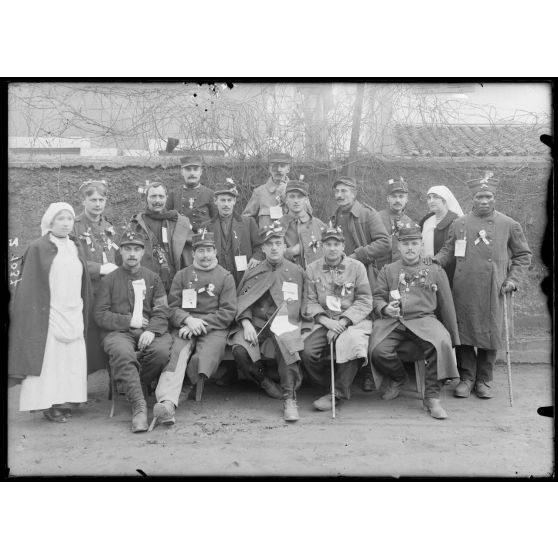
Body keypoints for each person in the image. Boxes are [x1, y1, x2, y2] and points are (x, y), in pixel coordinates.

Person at [433, 173, 532, 399]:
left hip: (494, 288)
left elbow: (523, 255)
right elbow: (449, 251)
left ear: (494, 197)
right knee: (465, 332)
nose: (484, 201)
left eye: (488, 196)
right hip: (464, 287)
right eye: (480, 197)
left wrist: (512, 279)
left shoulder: (508, 224)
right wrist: (435, 260)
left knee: (490, 333)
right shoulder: (460, 223)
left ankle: (484, 380)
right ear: (473, 199)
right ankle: (467, 378)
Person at [9, 203, 92, 423]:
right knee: (52, 360)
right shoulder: (38, 247)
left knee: (71, 358)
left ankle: (68, 400)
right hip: (50, 311)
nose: (66, 223)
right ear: (50, 222)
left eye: (70, 219)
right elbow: (30, 286)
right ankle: (49, 404)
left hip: (74, 308)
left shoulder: (77, 246)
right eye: (61, 219)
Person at [369, 226, 460, 419]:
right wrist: (385, 308)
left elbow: (446, 304)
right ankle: (399, 378)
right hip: (394, 321)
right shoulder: (388, 270)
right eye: (405, 244)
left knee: (439, 343)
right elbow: (377, 297)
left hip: (424, 320)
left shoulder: (434, 269)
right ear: (398, 247)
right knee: (378, 350)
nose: (410, 248)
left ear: (421, 246)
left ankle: (432, 398)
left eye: (414, 243)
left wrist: (452, 337)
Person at [152, 231, 237, 427]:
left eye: (209, 250)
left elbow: (228, 312)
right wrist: (188, 320)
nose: (205, 255)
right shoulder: (182, 275)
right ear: (193, 253)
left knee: (205, 356)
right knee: (176, 354)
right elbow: (172, 307)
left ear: (215, 252)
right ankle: (166, 402)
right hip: (186, 325)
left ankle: (184, 390)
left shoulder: (225, 277)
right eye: (200, 251)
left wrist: (201, 324)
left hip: (214, 327)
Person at [94, 229, 172, 433]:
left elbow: (163, 310)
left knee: (162, 351)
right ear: (120, 251)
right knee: (122, 352)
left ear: (142, 252)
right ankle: (139, 407)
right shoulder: (108, 280)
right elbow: (100, 315)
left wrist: (152, 331)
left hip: (148, 331)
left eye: (136, 249)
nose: (131, 254)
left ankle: (128, 384)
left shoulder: (153, 278)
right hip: (118, 332)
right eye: (127, 249)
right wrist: (130, 321)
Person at [229, 223, 307, 422]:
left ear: (284, 246)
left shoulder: (296, 271)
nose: (274, 247)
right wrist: (246, 323)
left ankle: (290, 398)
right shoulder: (253, 271)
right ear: (262, 248)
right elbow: (243, 299)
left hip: (285, 320)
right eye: (269, 244)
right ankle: (263, 380)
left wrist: (298, 322)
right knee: (239, 349)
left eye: (278, 243)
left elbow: (304, 301)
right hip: (256, 322)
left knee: (287, 345)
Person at [301, 226, 373, 411]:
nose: (332, 248)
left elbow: (365, 300)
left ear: (343, 246)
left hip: (351, 321)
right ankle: (330, 384)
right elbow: (309, 301)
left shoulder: (357, 267)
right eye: (328, 244)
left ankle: (337, 393)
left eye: (336, 244)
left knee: (352, 343)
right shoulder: (312, 269)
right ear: (322, 246)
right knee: (307, 352)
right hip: (324, 320)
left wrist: (343, 322)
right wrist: (326, 321)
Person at [331, 175, 391, 392]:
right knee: (347, 316)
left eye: (344, 191)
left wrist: (358, 255)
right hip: (342, 276)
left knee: (369, 319)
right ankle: (349, 367)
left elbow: (385, 242)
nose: (340, 195)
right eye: (337, 192)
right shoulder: (336, 215)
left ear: (354, 193)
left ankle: (370, 374)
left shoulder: (367, 213)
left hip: (365, 273)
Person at [74, 179, 119, 373]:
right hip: (83, 288)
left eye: (101, 199)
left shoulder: (109, 227)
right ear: (83, 201)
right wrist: (99, 269)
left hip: (106, 290)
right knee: (85, 333)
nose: (98, 204)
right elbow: (72, 260)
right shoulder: (74, 226)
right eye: (92, 199)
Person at [128, 179, 193, 291]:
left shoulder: (178, 222)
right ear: (146, 198)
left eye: (161, 196)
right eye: (153, 196)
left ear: (166, 198)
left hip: (174, 282)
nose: (157, 200)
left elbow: (190, 255)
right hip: (145, 282)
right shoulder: (137, 224)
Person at [200, 183, 263, 285]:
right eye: (222, 200)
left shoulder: (248, 223)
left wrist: (257, 257)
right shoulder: (206, 226)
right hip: (217, 277)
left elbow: (260, 246)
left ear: (234, 201)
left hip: (243, 277)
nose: (226, 204)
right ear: (215, 201)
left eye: (229, 200)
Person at [242, 152, 312, 229]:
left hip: (293, 239)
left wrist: (286, 195)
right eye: (275, 166)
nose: (278, 170)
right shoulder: (259, 192)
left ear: (288, 169)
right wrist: (256, 236)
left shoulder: (298, 191)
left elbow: (308, 215)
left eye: (282, 166)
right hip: (268, 240)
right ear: (269, 169)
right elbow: (245, 219)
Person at [419, 185, 463, 286]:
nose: (431, 201)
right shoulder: (426, 221)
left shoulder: (456, 221)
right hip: (424, 270)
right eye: (429, 198)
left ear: (444, 200)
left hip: (447, 271)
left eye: (435, 197)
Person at [279, 179, 326, 269]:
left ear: (306, 199)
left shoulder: (319, 225)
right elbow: (270, 255)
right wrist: (291, 252)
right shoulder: (278, 226)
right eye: (292, 196)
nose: (296, 201)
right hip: (289, 275)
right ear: (286, 200)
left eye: (300, 196)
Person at [166, 154, 217, 233]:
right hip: (180, 240)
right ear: (182, 172)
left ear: (200, 172)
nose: (192, 173)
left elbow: (215, 220)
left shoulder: (210, 194)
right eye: (188, 169)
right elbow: (166, 219)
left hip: (203, 240)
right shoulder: (173, 194)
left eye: (195, 169)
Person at [377, 177, 417, 270]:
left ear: (406, 199)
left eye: (401, 196)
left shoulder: (410, 222)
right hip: (379, 270)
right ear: (388, 198)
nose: (397, 200)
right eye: (394, 196)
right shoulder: (377, 218)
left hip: (401, 272)